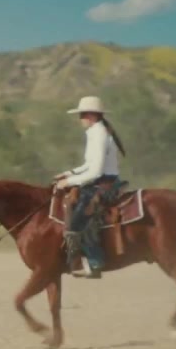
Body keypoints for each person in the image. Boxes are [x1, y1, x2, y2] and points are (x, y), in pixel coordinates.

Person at [52, 95, 127, 279]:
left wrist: (69, 182)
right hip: (99, 179)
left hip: (104, 183)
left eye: (82, 114)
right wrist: (68, 173)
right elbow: (88, 164)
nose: (80, 118)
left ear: (92, 115)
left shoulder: (99, 134)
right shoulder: (95, 132)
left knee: (79, 219)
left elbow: (95, 172)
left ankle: (95, 262)